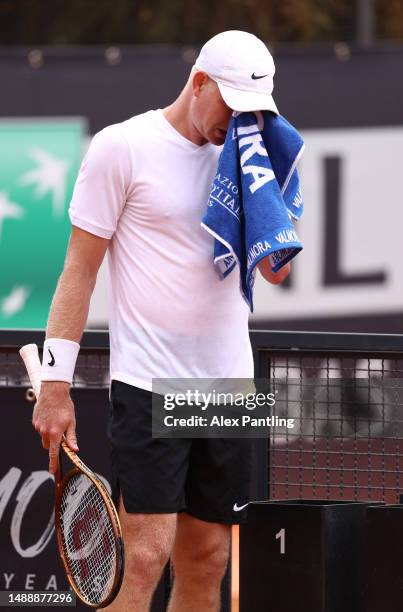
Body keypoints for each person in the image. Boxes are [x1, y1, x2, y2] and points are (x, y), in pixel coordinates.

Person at [32, 30, 290, 612]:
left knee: (209, 561)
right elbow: (78, 272)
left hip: (227, 388)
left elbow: (276, 273)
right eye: (232, 104)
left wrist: (268, 191)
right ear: (199, 83)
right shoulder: (121, 147)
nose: (240, 119)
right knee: (144, 557)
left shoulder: (250, 155)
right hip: (149, 385)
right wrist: (55, 384)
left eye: (254, 110)